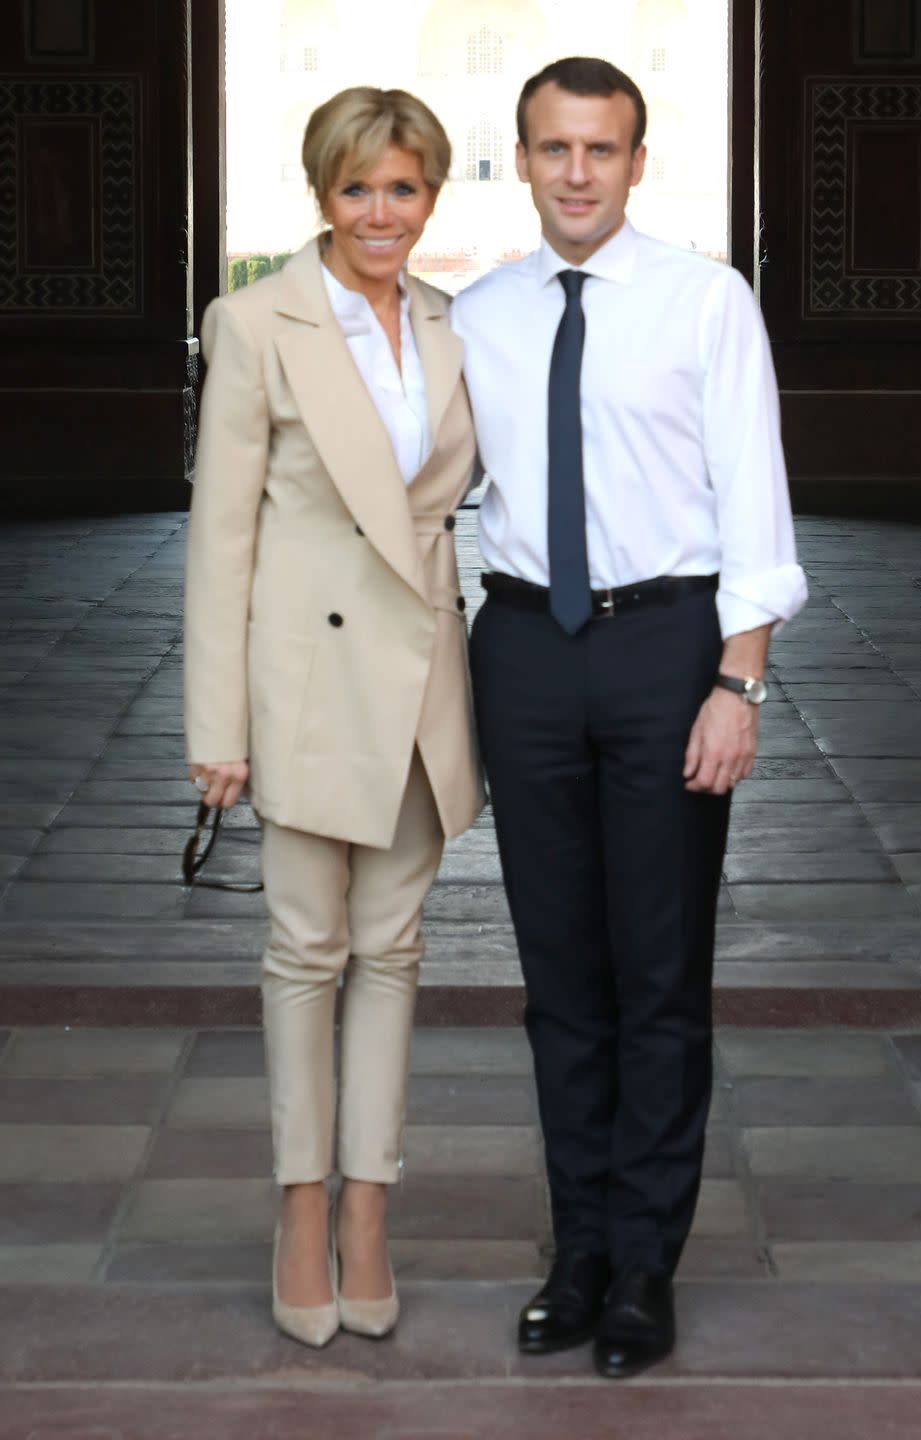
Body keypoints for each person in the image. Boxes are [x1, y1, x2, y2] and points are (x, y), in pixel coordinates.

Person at [450, 57, 807, 1379]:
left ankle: (646, 1264)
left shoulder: (707, 303)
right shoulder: (475, 315)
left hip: (668, 646)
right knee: (559, 979)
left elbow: (754, 499)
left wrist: (739, 679)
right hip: (526, 650)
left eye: (602, 149)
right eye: (554, 149)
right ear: (525, 160)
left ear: (639, 162)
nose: (579, 173)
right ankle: (578, 1251)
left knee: (657, 972)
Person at [184, 86, 485, 1349]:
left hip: (418, 677)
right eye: (358, 187)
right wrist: (217, 728)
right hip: (305, 683)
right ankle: (300, 1210)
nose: (381, 212)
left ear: (431, 198)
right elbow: (222, 536)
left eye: (404, 188)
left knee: (396, 951)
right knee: (306, 954)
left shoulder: (450, 322)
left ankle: (371, 1207)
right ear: (322, 193)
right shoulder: (256, 322)